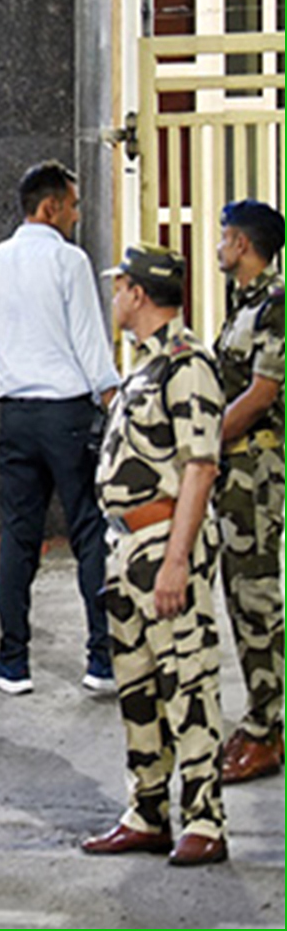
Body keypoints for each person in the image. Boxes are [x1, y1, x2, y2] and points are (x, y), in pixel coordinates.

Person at [0, 161, 119, 697]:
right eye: (71, 205)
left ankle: (13, 661)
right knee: (89, 531)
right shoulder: (70, 262)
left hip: (16, 419)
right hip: (69, 416)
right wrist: (117, 410)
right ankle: (102, 660)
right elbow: (92, 348)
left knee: (19, 538)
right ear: (49, 208)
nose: (75, 214)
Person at [82, 245, 229, 867]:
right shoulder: (145, 366)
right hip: (126, 547)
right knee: (139, 686)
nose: (114, 296)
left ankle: (206, 819)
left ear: (139, 294)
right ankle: (148, 811)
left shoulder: (186, 364)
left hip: (166, 542)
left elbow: (200, 467)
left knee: (187, 681)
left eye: (120, 287)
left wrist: (175, 560)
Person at [212, 199, 285, 784]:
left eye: (222, 237)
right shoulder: (247, 303)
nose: (217, 247)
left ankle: (272, 729)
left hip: (254, 472)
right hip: (235, 472)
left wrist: (200, 444)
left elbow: (261, 394)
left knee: (257, 597)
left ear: (240, 243)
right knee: (240, 595)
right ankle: (262, 716)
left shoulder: (276, 304)